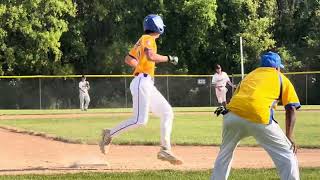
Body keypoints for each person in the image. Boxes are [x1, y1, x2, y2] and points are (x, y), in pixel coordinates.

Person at [99, 14, 182, 165]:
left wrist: (139, 64)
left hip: (147, 83)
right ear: (157, 26)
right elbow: (151, 56)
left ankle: (165, 149)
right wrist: (169, 58)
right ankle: (109, 134)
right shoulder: (148, 38)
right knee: (140, 120)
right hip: (142, 82)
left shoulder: (142, 40)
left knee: (167, 112)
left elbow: (128, 58)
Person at [211, 52, 300, 180]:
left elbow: (234, 98)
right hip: (259, 118)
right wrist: (289, 137)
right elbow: (291, 108)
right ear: (277, 67)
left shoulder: (249, 76)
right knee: (287, 154)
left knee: (224, 154)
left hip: (232, 116)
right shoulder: (281, 78)